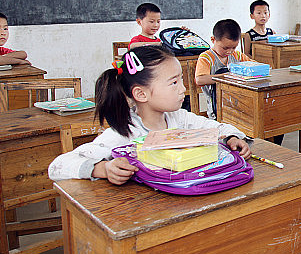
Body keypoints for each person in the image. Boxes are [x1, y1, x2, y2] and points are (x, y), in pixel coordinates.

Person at [48, 46, 251, 184]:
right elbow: (57, 166)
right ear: (141, 94)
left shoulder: (180, 119)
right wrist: (102, 169)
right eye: (174, 83)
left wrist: (233, 138)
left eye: (181, 80)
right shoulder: (125, 134)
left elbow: (218, 127)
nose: (183, 89)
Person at [194, 19, 253, 121]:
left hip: (238, 107)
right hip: (218, 110)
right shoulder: (206, 57)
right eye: (225, 48)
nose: (229, 51)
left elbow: (254, 66)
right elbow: (200, 79)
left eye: (234, 47)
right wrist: (228, 77)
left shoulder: (237, 55)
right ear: (213, 40)